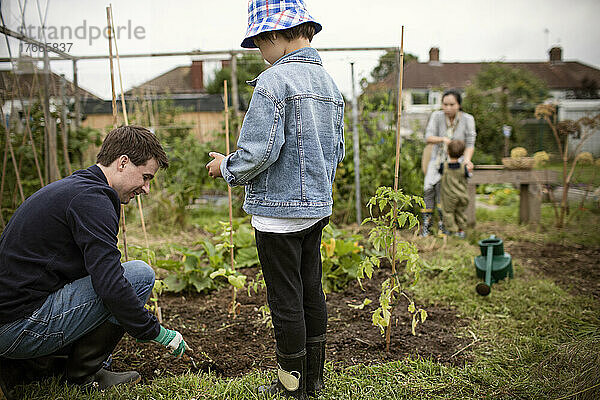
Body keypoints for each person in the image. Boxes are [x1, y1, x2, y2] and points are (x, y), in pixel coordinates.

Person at [206, 1, 344, 398]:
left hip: (278, 216)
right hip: (317, 209)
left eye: (259, 44)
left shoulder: (274, 82)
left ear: (275, 36)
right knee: (310, 291)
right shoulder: (330, 84)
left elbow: (258, 153)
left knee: (285, 299)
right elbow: (338, 151)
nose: (261, 54)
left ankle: (293, 386)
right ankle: (315, 381)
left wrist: (225, 167)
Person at [0, 126, 189, 399]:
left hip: (9, 320)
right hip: (16, 328)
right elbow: (109, 283)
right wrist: (155, 332)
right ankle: (85, 375)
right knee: (138, 275)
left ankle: (35, 366)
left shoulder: (75, 189)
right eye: (146, 177)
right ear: (123, 162)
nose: (147, 189)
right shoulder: (93, 200)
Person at [421, 89, 476, 236]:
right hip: (437, 159)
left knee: (446, 193)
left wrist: (467, 160)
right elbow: (428, 137)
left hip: (455, 162)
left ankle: (444, 227)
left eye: (452, 104)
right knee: (428, 189)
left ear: (458, 105)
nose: (448, 108)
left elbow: (470, 143)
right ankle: (426, 227)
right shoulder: (437, 117)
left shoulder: (467, 119)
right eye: (445, 104)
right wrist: (443, 140)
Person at [439, 140, 470, 238]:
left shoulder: (443, 166)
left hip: (449, 196)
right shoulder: (463, 168)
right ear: (462, 154)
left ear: (448, 152)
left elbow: (439, 173)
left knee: (448, 213)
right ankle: (461, 230)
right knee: (460, 213)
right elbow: (467, 176)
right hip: (462, 196)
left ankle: (452, 230)